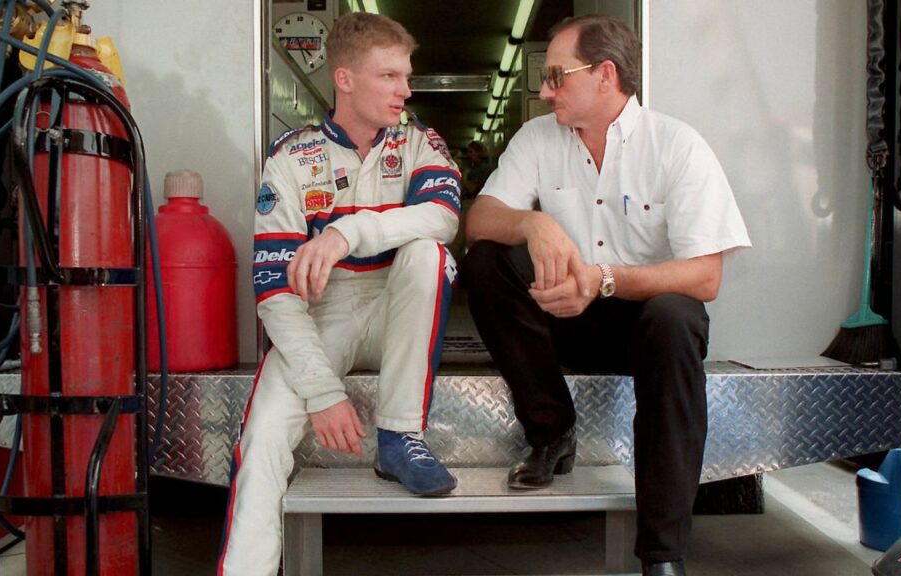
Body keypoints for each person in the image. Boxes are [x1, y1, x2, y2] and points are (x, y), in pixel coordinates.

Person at [460, 14, 750, 576]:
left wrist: (605, 279)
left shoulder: (676, 146)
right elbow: (482, 218)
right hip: (563, 322)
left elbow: (705, 277)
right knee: (488, 261)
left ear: (605, 75)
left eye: (556, 76)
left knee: (676, 316)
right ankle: (551, 433)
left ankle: (663, 553)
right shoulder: (538, 138)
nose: (545, 91)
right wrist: (531, 224)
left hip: (645, 331)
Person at [217, 12, 462, 576]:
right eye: (390, 76)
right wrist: (323, 391)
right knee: (262, 438)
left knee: (429, 253)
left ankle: (400, 436)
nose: (406, 89)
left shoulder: (420, 140)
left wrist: (347, 230)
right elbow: (276, 291)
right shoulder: (292, 159)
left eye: (407, 75)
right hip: (323, 313)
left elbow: (445, 218)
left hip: (402, 306)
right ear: (345, 79)